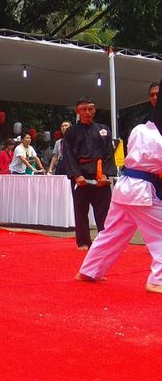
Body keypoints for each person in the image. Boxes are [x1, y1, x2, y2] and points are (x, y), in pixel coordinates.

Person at [75, 119, 162, 293]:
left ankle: (89, 271)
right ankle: (158, 280)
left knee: (112, 232)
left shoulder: (140, 128)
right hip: (142, 190)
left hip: (125, 186)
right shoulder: (157, 135)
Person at [62, 97, 116, 250]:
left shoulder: (103, 129)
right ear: (77, 111)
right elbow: (68, 155)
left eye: (90, 109)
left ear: (95, 110)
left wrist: (106, 174)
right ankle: (84, 241)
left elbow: (108, 154)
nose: (87, 112)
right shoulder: (71, 132)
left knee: (104, 211)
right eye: (84, 109)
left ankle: (105, 242)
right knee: (80, 210)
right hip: (81, 176)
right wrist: (76, 175)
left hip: (100, 174)